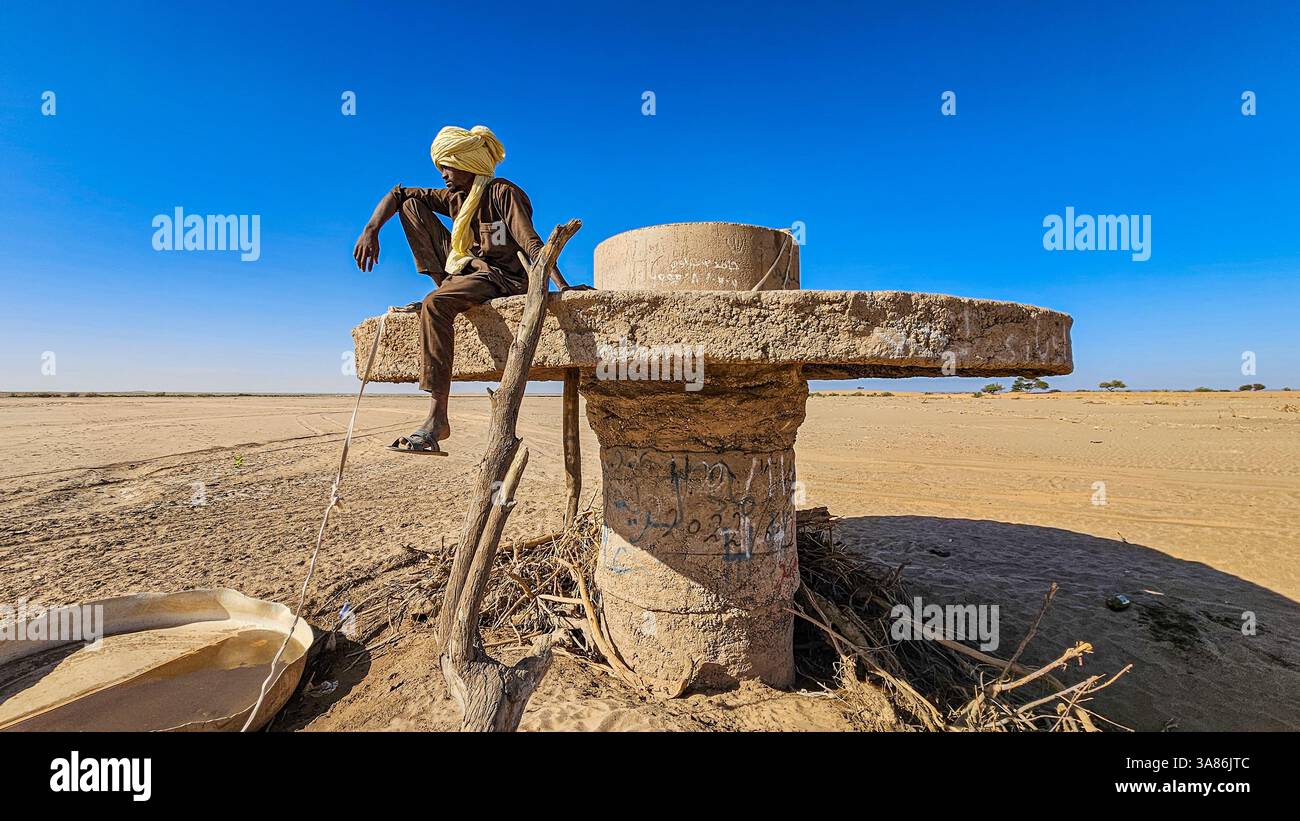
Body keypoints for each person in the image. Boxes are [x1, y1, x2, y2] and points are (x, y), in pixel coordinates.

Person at [353, 125, 584, 453]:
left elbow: (530, 241)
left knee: (434, 305)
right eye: (441, 166)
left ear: (469, 162)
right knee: (410, 206)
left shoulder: (503, 193)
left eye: (448, 165)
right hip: (466, 269)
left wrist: (562, 285)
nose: (443, 173)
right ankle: (448, 288)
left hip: (500, 278)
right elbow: (399, 194)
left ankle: (437, 421)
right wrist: (371, 229)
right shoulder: (455, 198)